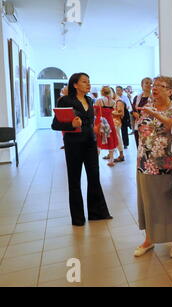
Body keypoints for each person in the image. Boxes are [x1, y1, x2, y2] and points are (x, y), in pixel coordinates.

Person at [133, 76, 172, 258]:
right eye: (154, 85)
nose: (155, 88)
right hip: (145, 163)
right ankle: (149, 239)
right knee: (149, 203)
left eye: (160, 85)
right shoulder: (147, 107)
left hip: (169, 164)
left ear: (170, 91)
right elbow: (140, 130)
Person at [51, 73, 113, 226]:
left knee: (94, 177)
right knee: (74, 180)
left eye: (89, 81)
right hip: (73, 143)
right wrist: (70, 125)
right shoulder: (65, 100)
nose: (88, 84)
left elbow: (89, 121)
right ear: (75, 84)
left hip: (90, 143)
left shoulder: (90, 100)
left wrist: (94, 129)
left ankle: (96, 213)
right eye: (84, 82)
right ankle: (78, 218)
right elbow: (55, 125)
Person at [95, 86, 119, 167]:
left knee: (98, 141)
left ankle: (95, 161)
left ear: (102, 92)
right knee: (111, 140)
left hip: (100, 121)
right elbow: (113, 112)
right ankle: (111, 160)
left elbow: (94, 112)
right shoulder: (113, 101)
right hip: (110, 122)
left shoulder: (99, 100)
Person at [131, 78, 153, 147]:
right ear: (142, 85)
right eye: (146, 83)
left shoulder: (154, 98)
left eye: (151, 83)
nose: (149, 85)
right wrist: (134, 113)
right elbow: (133, 109)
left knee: (148, 146)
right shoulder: (137, 97)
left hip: (149, 126)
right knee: (139, 145)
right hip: (138, 124)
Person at [112, 98, 126, 162]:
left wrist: (111, 113)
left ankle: (121, 155)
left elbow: (122, 114)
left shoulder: (119, 102)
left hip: (116, 123)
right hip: (112, 122)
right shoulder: (112, 101)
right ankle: (111, 154)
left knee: (117, 138)